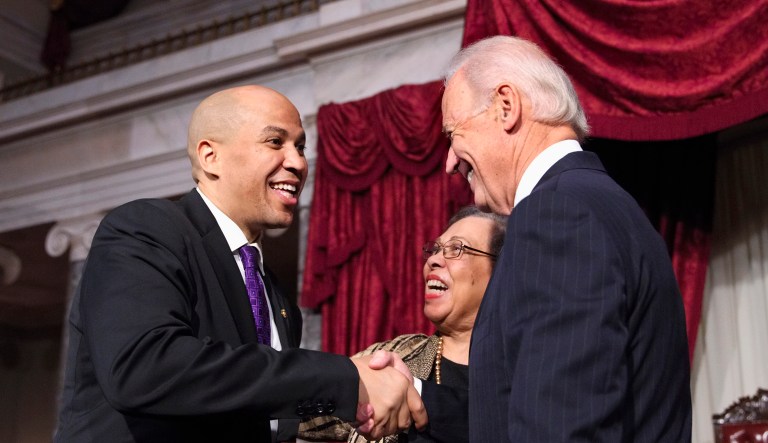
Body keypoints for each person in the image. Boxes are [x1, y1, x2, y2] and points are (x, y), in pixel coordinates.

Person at [53, 85, 426, 443]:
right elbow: (145, 368)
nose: (298, 162)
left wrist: (361, 404)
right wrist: (345, 377)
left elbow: (254, 402)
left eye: (300, 146)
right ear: (209, 156)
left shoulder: (276, 297)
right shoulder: (147, 228)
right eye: (275, 142)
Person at [441, 36, 692, 442]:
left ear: (506, 106)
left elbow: (561, 426)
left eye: (452, 133)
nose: (450, 160)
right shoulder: (604, 205)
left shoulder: (556, 213)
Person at [300, 206, 506, 443]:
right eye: (436, 249)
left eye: (456, 249)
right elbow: (305, 409)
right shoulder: (397, 357)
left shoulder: (524, 366)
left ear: (500, 272)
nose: (434, 261)